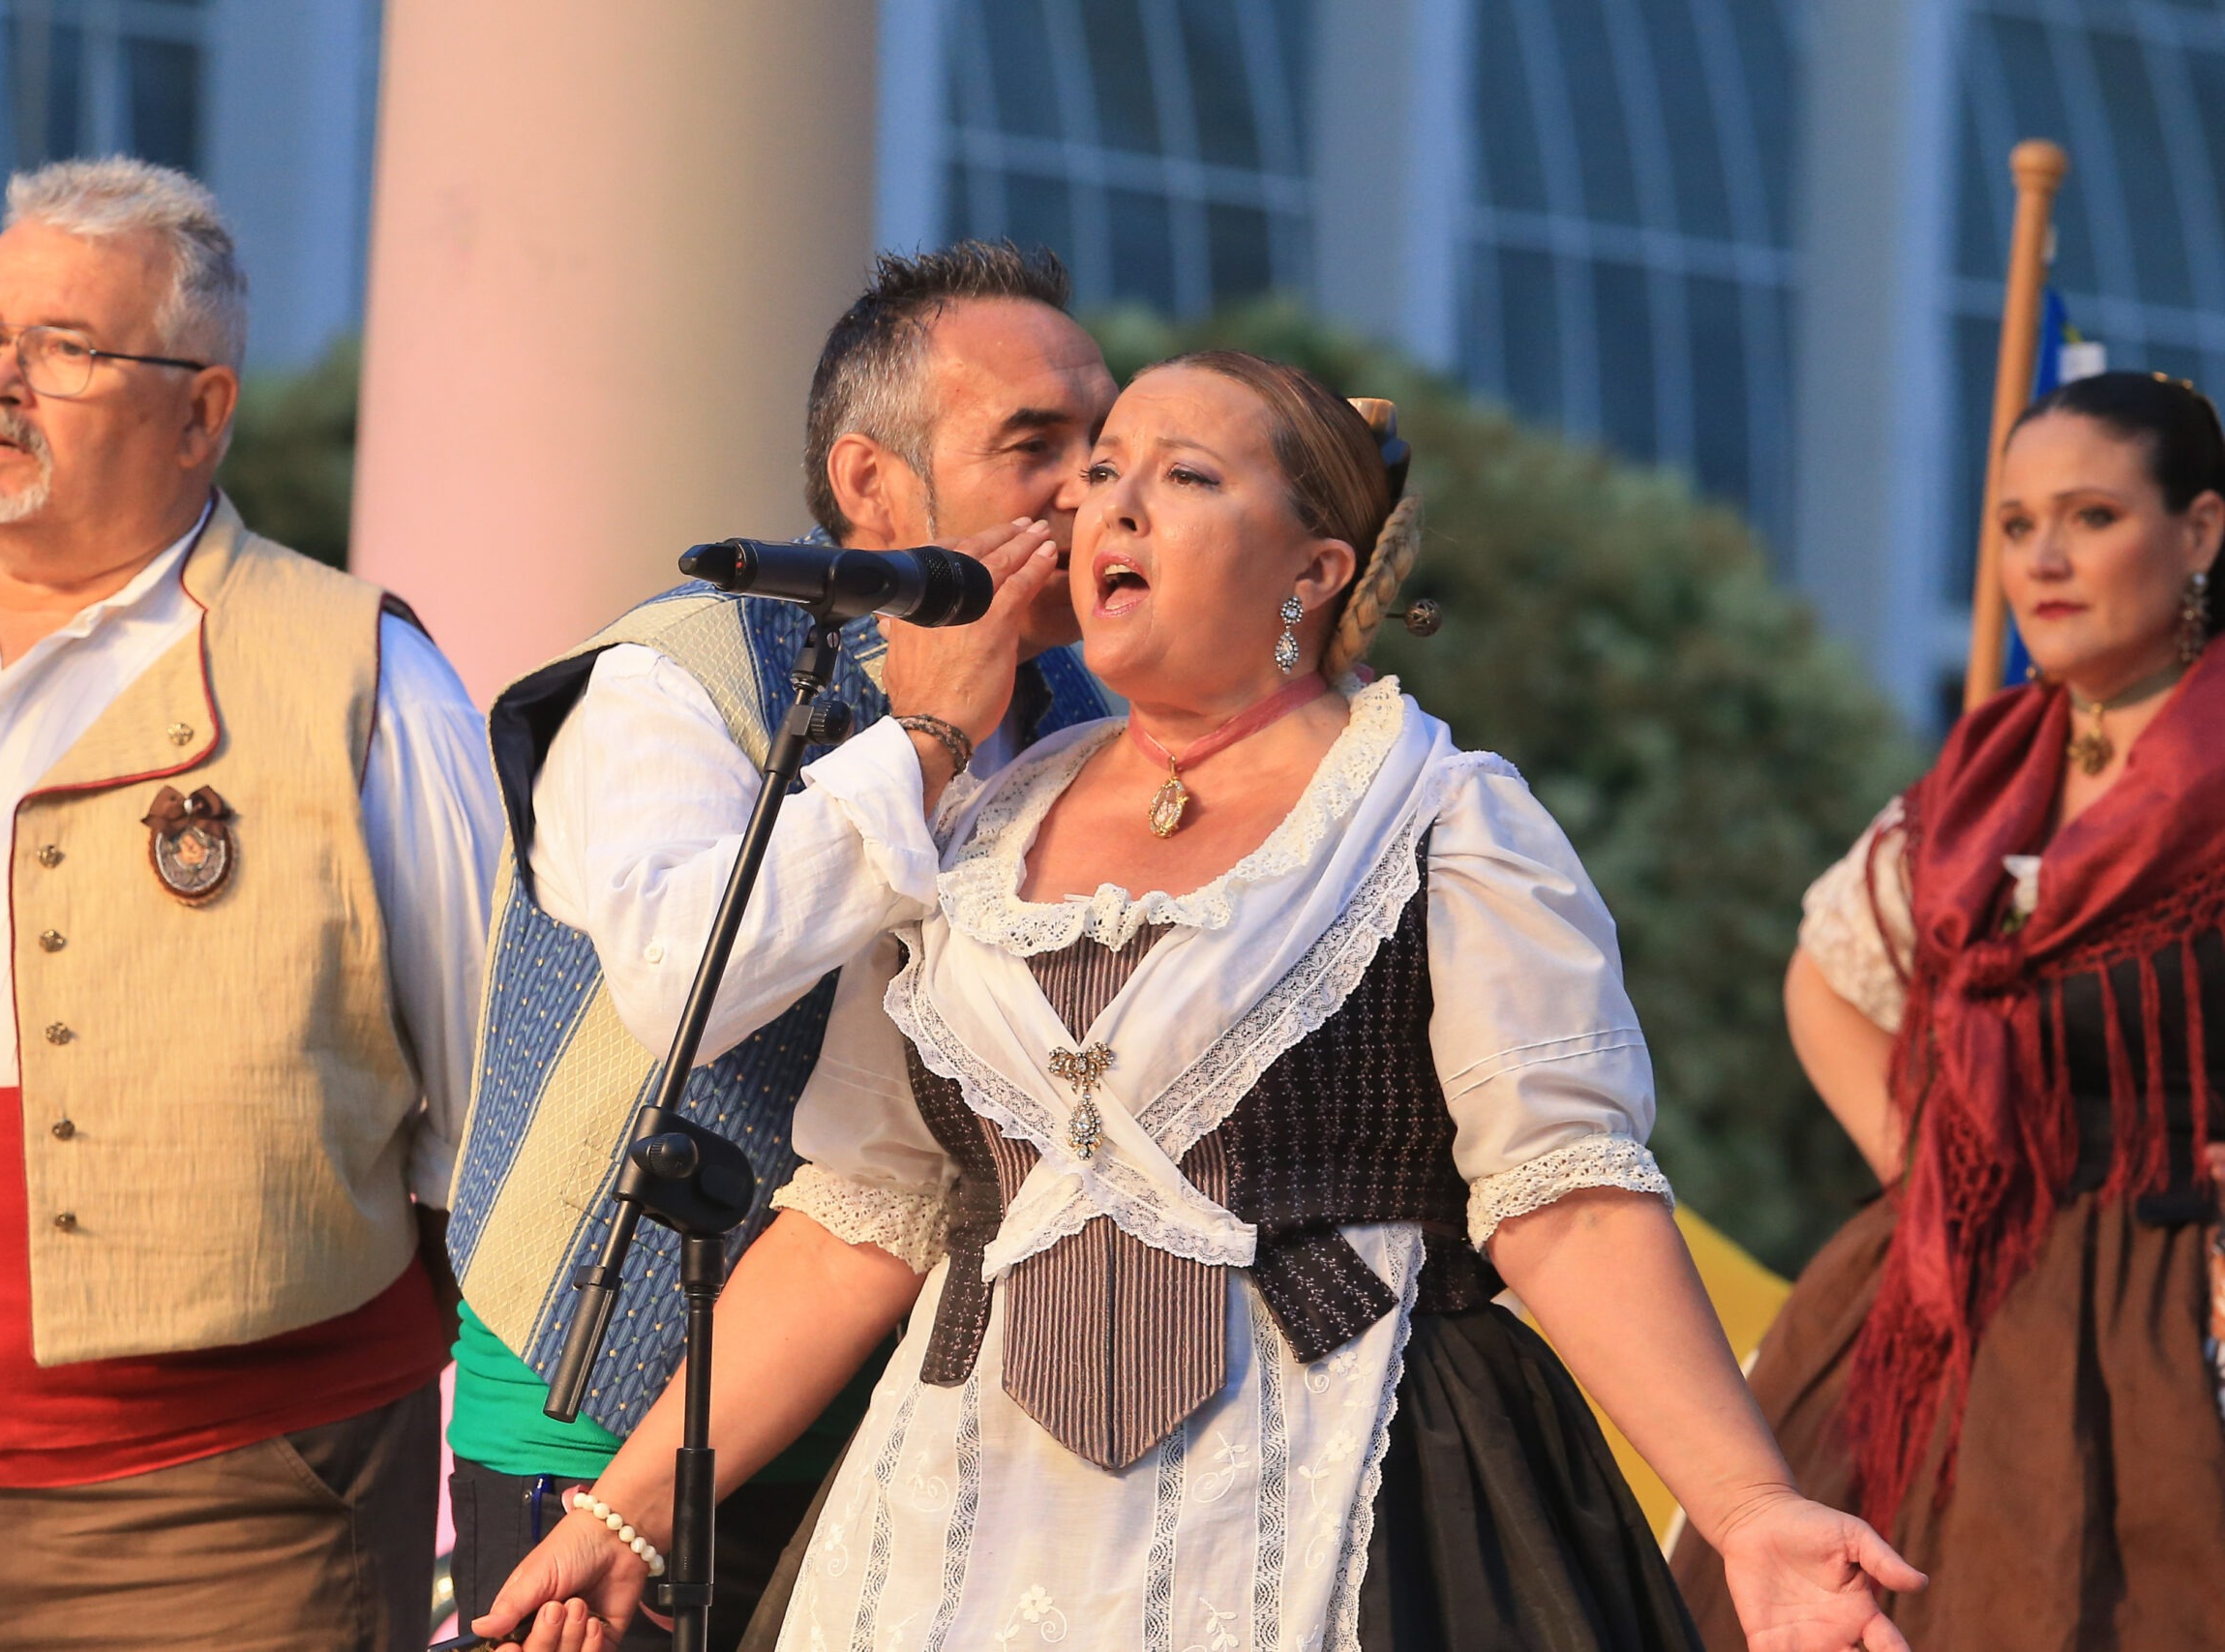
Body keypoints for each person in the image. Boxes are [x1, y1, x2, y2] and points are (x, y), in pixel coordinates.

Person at [474, 350, 1919, 1652]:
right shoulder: (973, 828)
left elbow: (1568, 1197)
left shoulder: (1439, 819)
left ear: (1311, 569)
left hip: (1355, 1484)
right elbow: (865, 1211)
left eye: (1182, 476)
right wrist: (626, 1511)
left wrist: (1749, 1512)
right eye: (1101, 473)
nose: (1110, 505)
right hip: (967, 1525)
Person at [0, 158, 499, 1650]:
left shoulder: (357, 674)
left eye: (65, 350)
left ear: (203, 412)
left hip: (210, 1515)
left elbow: (496, 1108)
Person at [439, 242, 1119, 1643]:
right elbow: (693, 983)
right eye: (1034, 445)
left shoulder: (1089, 722)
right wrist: (924, 742)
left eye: (1105, 446)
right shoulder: (678, 674)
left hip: (916, 1440)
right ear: (871, 483)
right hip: (594, 1414)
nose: (1086, 490)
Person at [1673, 371, 2225, 1648]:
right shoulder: (1988, 770)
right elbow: (1827, 978)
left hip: (2175, 1315)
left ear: (2197, 532)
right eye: (2018, 524)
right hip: (1932, 1299)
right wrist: (1921, 1161)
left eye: (2091, 517)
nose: (2045, 557)